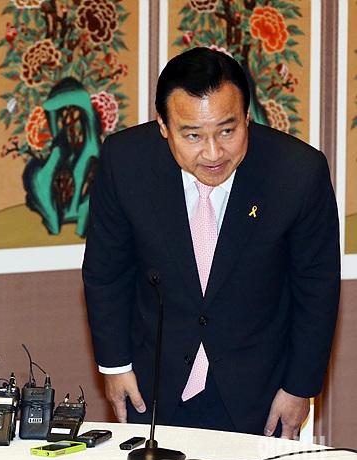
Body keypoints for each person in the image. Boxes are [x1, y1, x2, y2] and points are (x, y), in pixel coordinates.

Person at [82, 47, 340, 438]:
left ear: (247, 116)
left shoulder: (298, 173)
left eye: (227, 131)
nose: (214, 152)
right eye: (193, 135)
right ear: (164, 125)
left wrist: (299, 388)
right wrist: (115, 367)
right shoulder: (125, 161)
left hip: (260, 392)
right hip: (153, 385)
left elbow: (316, 290)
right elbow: (106, 273)